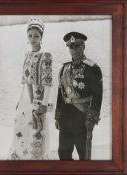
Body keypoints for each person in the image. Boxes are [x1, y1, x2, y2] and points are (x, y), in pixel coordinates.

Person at [8, 19, 53, 160]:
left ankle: (36, 159)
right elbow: (25, 81)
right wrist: (21, 100)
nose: (33, 39)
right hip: (26, 99)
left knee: (36, 128)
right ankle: (21, 157)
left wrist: (44, 104)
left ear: (41, 37)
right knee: (21, 128)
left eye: (36, 36)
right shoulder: (27, 55)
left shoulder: (46, 55)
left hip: (39, 98)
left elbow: (48, 83)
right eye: (30, 35)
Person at [55, 32, 103, 160]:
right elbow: (60, 95)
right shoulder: (63, 69)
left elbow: (98, 97)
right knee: (63, 154)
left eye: (77, 46)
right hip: (65, 118)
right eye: (71, 47)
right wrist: (58, 117)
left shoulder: (92, 68)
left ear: (84, 46)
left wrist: (91, 119)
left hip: (82, 118)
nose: (74, 50)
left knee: (84, 155)